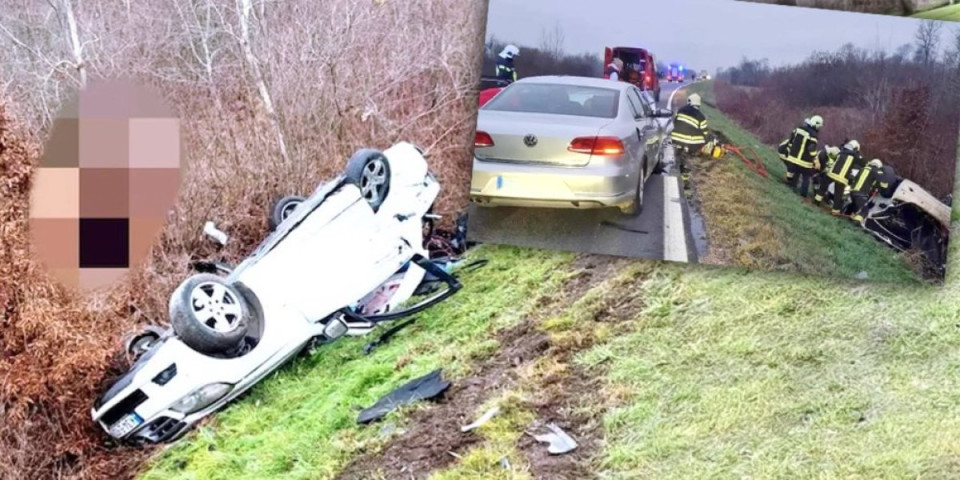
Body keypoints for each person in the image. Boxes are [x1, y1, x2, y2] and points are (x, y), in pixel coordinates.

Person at [776, 115, 823, 198]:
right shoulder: (813, 135)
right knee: (806, 177)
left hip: (793, 157)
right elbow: (811, 149)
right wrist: (815, 159)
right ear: (816, 125)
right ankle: (803, 195)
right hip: (804, 161)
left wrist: (789, 150)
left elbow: (791, 140)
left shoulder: (798, 129)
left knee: (794, 171)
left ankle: (791, 185)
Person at [814, 139, 863, 216]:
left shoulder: (841, 152)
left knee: (823, 186)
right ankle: (835, 211)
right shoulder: (855, 157)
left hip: (832, 173)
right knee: (838, 195)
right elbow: (860, 165)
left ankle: (817, 200)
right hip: (842, 178)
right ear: (855, 148)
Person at [670, 93, 711, 179]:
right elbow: (705, 132)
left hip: (675, 138)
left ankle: (679, 155)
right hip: (690, 143)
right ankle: (688, 164)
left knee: (679, 153)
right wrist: (708, 142)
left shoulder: (680, 110)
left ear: (689, 101)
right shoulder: (701, 116)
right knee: (702, 138)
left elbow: (675, 122)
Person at [849, 159, 883, 223]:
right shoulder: (876, 172)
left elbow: (855, 178)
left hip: (852, 191)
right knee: (864, 211)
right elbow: (877, 185)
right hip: (861, 194)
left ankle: (850, 217)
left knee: (856, 207)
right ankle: (856, 223)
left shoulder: (862, 169)